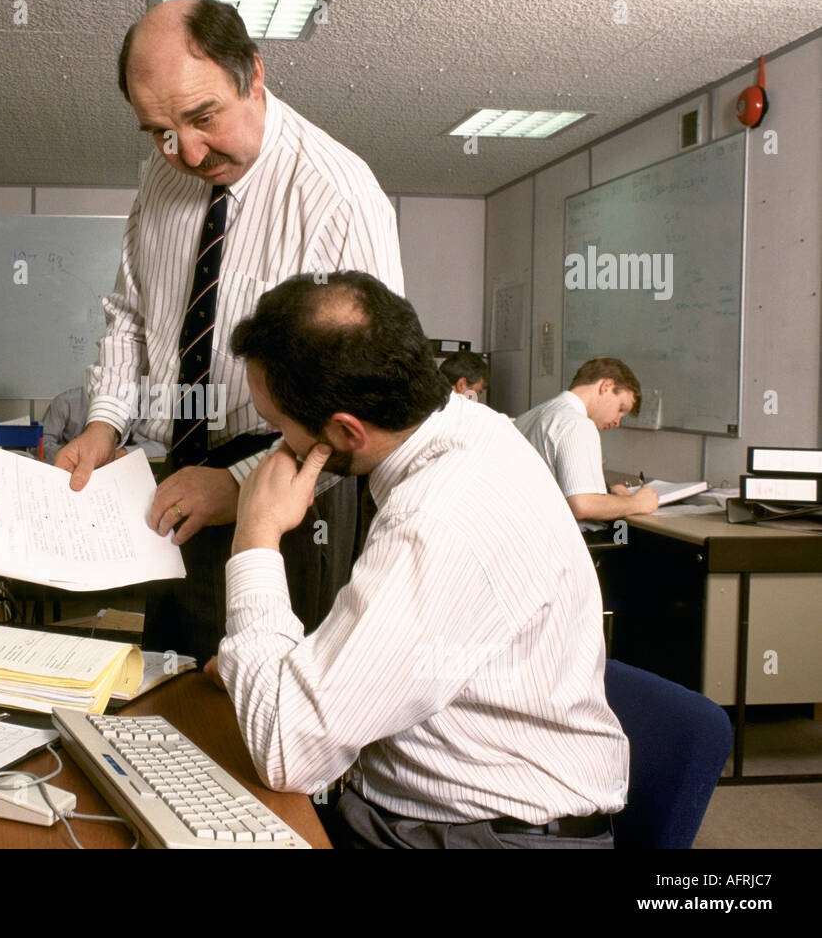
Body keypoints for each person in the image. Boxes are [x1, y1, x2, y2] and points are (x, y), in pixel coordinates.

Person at [213, 270, 628, 849]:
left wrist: (255, 535)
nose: (277, 448)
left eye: (280, 428)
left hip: (478, 834)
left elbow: (290, 751)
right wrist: (270, 666)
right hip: (436, 808)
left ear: (344, 431)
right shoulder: (473, 426)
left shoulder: (436, 521)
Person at [54, 0, 404, 664]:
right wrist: (103, 423)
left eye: (202, 117)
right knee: (168, 688)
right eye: (158, 130)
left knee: (266, 722)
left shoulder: (340, 196)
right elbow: (131, 314)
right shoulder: (162, 179)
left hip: (292, 496)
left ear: (255, 74)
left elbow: (365, 398)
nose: (185, 151)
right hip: (174, 483)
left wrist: (242, 486)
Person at [515, 357, 658, 521]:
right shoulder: (577, 424)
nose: (617, 422)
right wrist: (637, 503)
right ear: (606, 386)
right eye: (621, 408)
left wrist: (614, 496)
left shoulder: (529, 416)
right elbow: (582, 506)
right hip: (551, 536)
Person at [40, 386, 166, 465]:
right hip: (69, 468)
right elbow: (41, 443)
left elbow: (158, 447)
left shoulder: (137, 405)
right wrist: (76, 457)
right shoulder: (64, 402)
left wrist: (119, 454)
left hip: (116, 469)